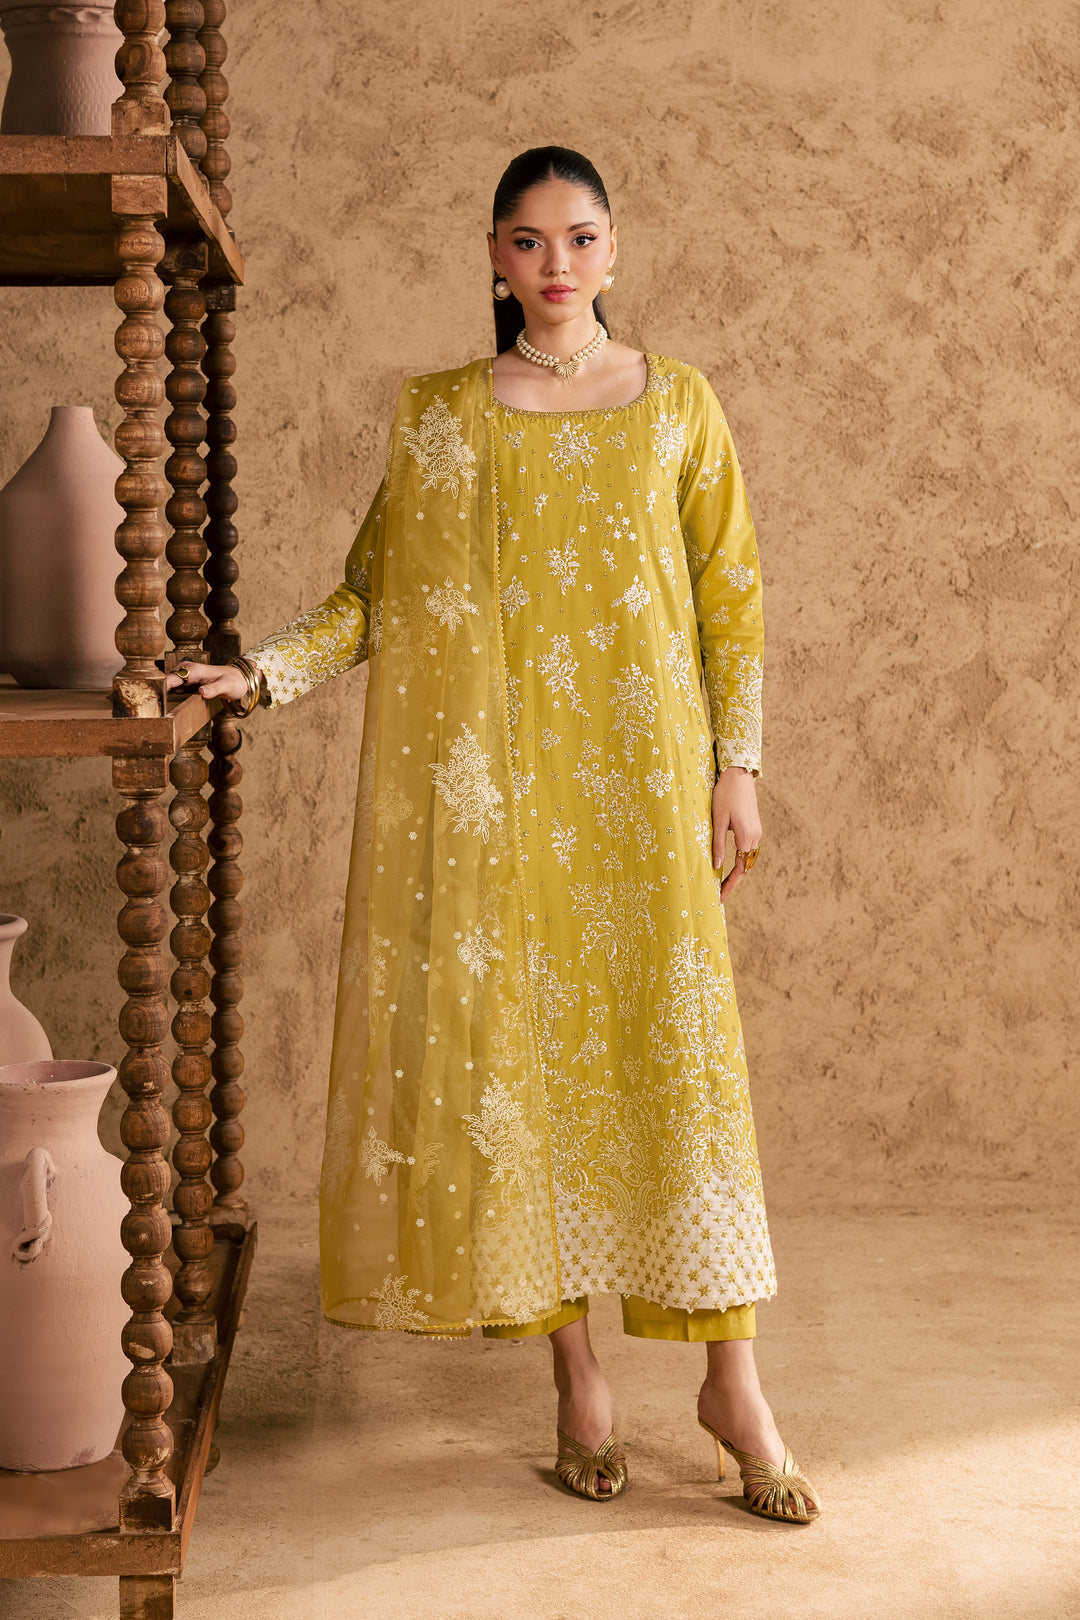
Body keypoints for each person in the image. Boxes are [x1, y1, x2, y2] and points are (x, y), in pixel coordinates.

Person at [170, 146, 821, 1522]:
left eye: (580, 239)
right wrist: (260, 672)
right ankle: (576, 1379)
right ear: (493, 257)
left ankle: (733, 1385)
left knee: (678, 1071)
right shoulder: (445, 419)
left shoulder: (679, 403)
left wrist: (738, 768)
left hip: (644, 795)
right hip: (502, 810)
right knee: (524, 1079)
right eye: (529, 242)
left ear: (614, 249)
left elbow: (733, 598)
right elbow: (374, 595)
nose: (557, 266)